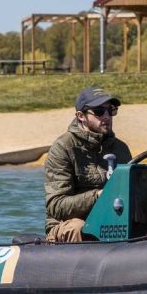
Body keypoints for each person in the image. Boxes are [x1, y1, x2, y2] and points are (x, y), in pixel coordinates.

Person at [44, 87, 132, 242]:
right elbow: (56, 206)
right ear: (81, 116)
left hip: (111, 222)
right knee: (79, 228)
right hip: (66, 225)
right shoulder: (63, 148)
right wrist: (98, 196)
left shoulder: (121, 149)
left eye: (110, 110)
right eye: (99, 111)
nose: (106, 116)